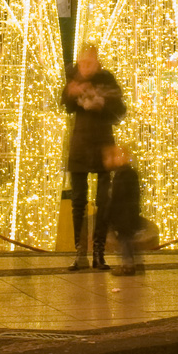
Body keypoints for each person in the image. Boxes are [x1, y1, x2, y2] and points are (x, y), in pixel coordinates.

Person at [62, 44, 125, 271]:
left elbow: (120, 112)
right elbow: (66, 105)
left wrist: (101, 102)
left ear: (97, 63)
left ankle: (99, 252)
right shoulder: (73, 80)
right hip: (80, 147)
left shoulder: (107, 81)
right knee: (78, 202)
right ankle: (80, 253)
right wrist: (73, 92)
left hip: (103, 148)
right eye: (82, 62)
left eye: (89, 62)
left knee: (103, 202)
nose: (85, 67)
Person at [102, 145, 142, 276]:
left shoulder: (123, 175)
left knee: (125, 241)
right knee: (126, 241)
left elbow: (117, 197)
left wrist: (109, 215)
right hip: (127, 215)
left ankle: (128, 265)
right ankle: (131, 263)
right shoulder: (126, 174)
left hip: (124, 217)